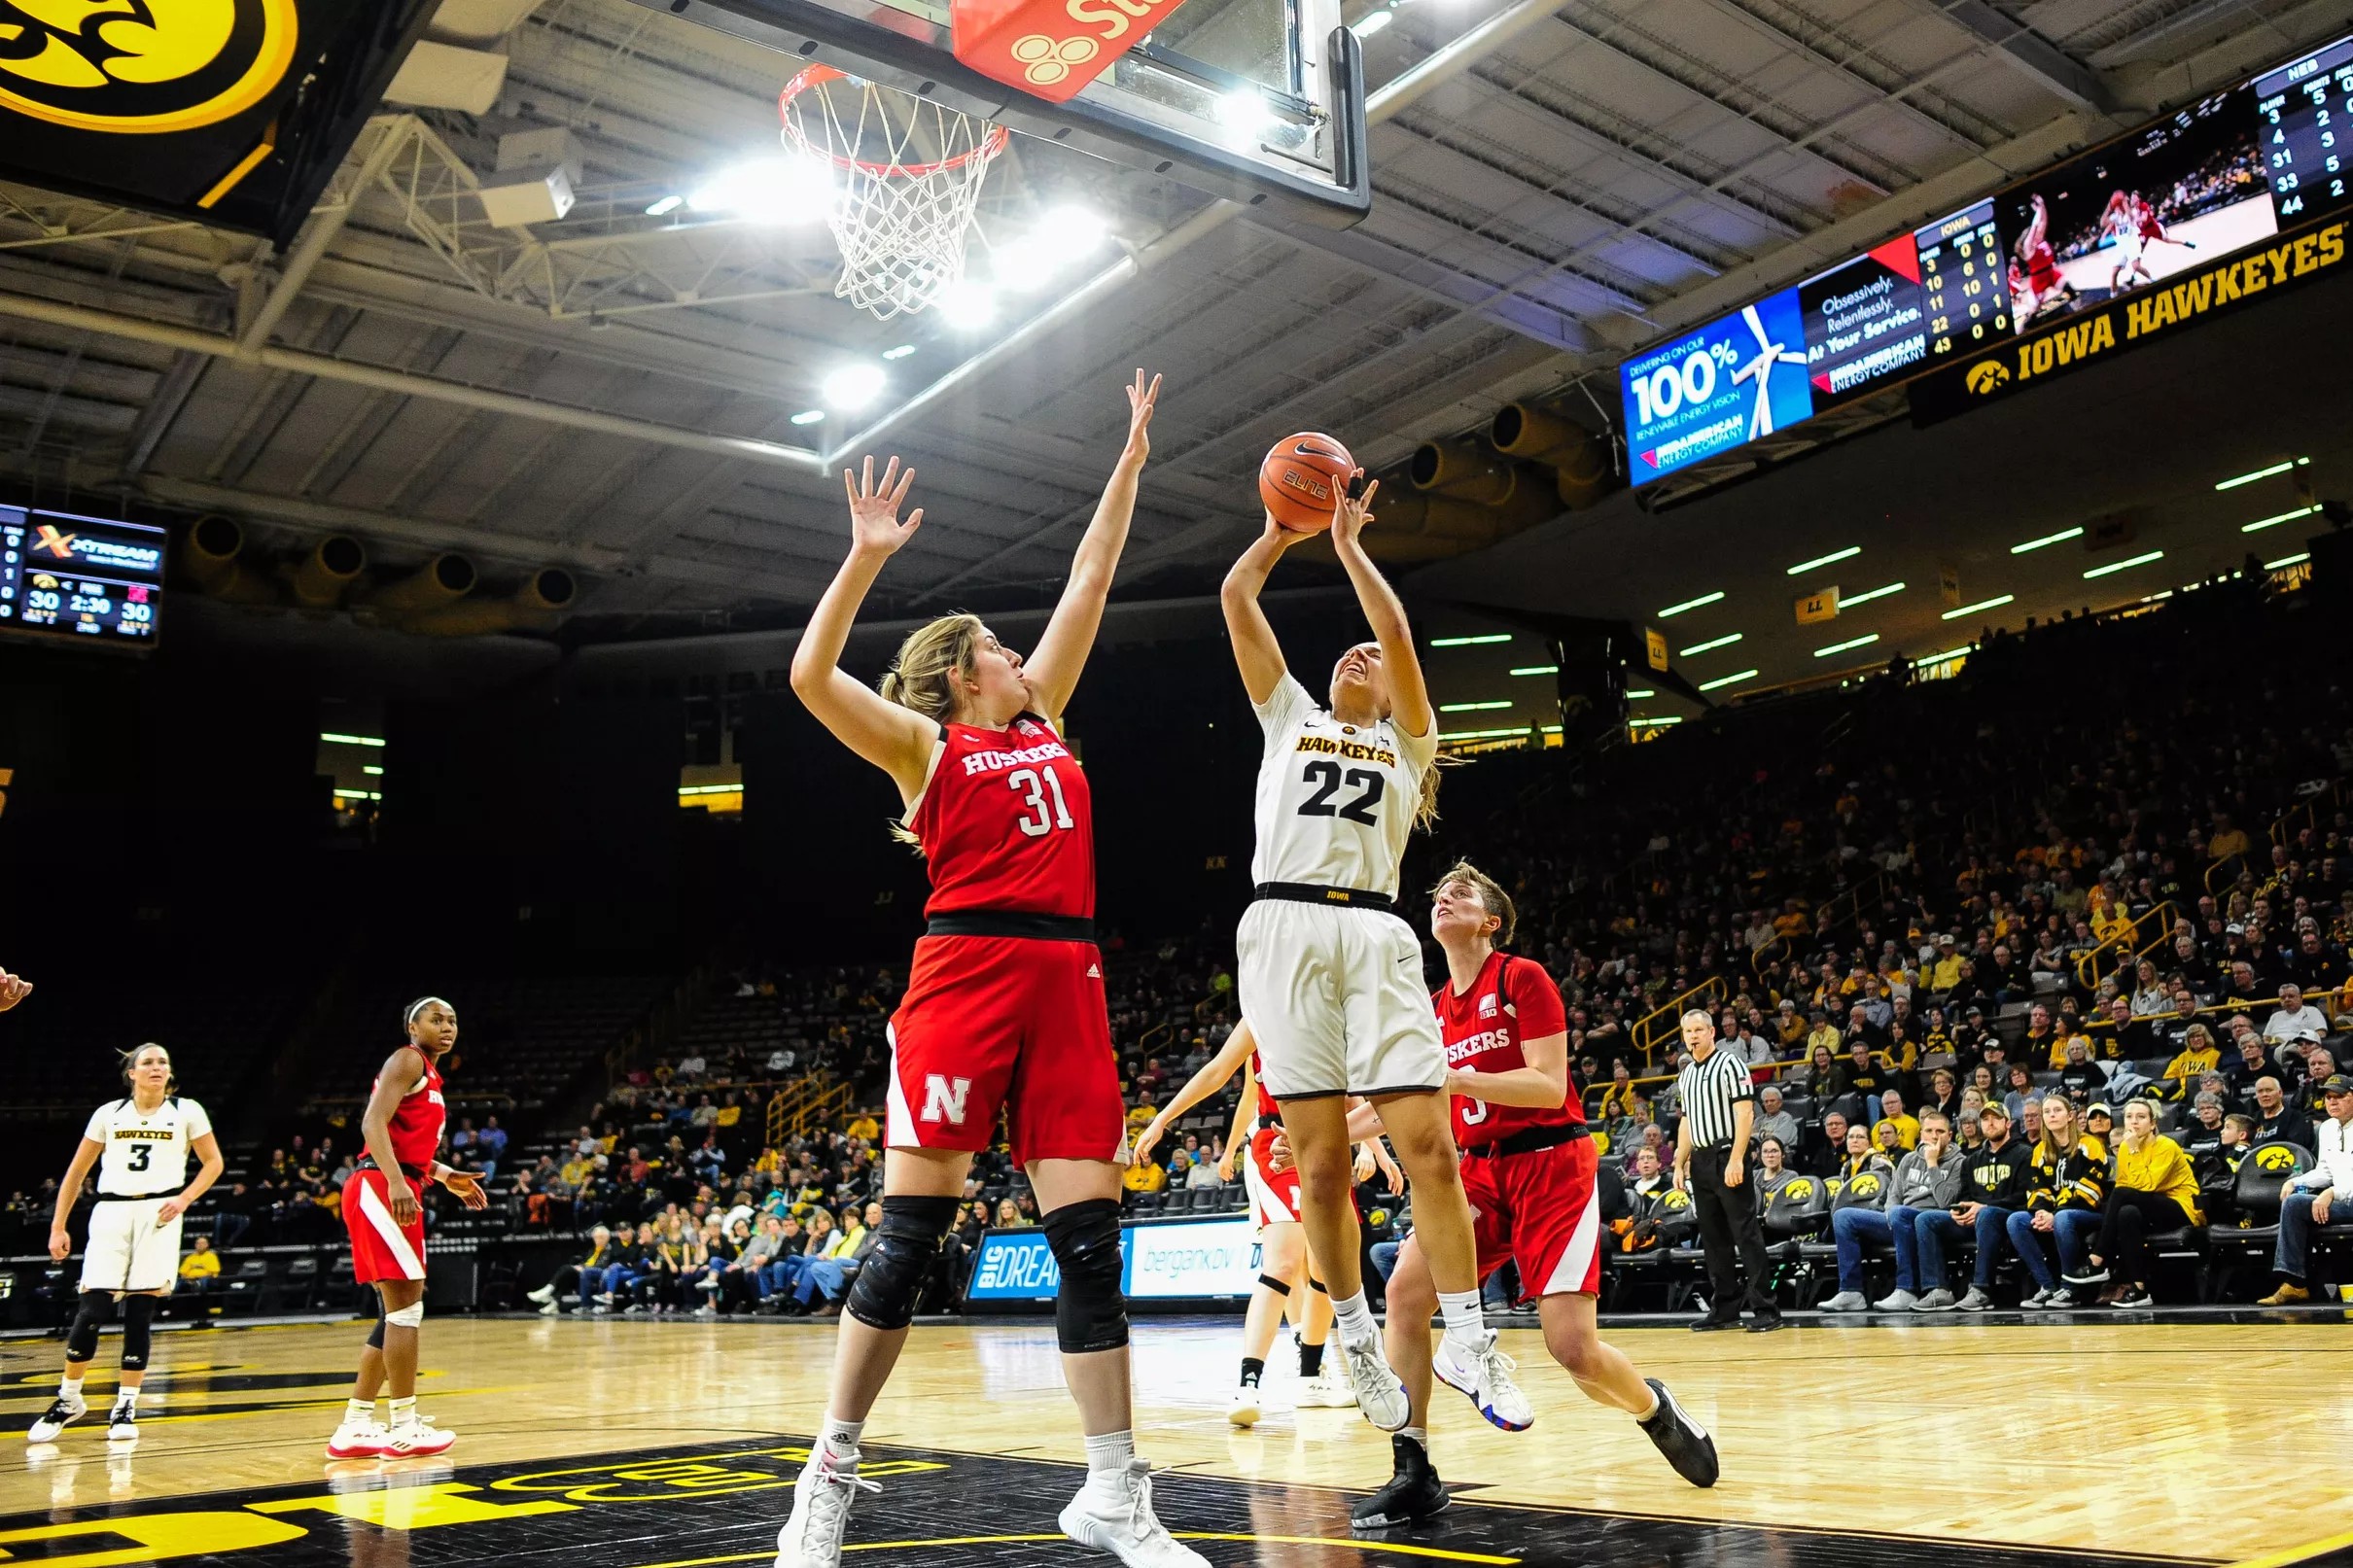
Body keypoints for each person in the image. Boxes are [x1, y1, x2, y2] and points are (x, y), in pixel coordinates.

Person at [780, 378, 1201, 1568]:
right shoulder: (925, 745)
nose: (1021, 655)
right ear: (967, 675)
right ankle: (828, 1473)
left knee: (1089, 1246)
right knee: (908, 1237)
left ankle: (1113, 1489)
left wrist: (1128, 462)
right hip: (963, 971)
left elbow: (1090, 578)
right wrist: (863, 559)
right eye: (999, 650)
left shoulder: (1045, 720)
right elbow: (810, 676)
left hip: (1066, 973)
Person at [1221, 467, 1525, 1434]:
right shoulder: (1289, 716)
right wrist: (1282, 531)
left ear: (1397, 695)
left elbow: (1392, 629)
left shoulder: (1407, 744)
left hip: (1373, 926)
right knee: (1318, 1166)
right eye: (1344, 652)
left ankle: (1469, 1335)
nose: (1359, 653)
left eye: (1373, 657)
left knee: (1428, 1144)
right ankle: (1351, 1339)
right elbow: (1235, 596)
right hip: (1282, 924)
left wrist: (1349, 545)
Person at [1348, 863, 1717, 1526]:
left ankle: (1652, 1406)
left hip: (1552, 1162)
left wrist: (1458, 1079)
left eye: (1462, 893)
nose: (1445, 898)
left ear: (1491, 921)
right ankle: (1414, 1467)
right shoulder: (1432, 1007)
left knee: (1572, 1348)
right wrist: (1326, 1137)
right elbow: (1405, 1098)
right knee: (1403, 1294)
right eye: (1439, 894)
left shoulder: (1522, 977)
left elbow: (1548, 1086)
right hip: (1479, 1171)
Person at [1129, 1022, 1359, 1425]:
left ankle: (1311, 1376)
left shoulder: (1332, 1008)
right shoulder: (1262, 1011)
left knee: (1325, 1266)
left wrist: (1373, 1148)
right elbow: (1223, 1075)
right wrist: (1165, 1119)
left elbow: (1350, 1092)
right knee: (1284, 1263)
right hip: (1276, 1144)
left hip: (1327, 1140)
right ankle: (1248, 1383)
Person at [27, 1043, 224, 1446]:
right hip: (111, 1211)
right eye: (147, 1062)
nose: (157, 1067)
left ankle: (125, 1406)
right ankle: (68, 1398)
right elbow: (76, 1172)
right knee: (92, 1310)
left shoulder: (187, 1111)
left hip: (159, 1212)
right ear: (131, 1073)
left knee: (139, 1313)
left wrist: (185, 1199)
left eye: (163, 1062)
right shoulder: (109, 1113)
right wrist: (58, 1226)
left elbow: (214, 1163)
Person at [324, 997, 488, 1460]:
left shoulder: (428, 1075)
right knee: (405, 1312)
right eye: (436, 1019)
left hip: (387, 1181)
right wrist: (397, 1181)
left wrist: (444, 1176)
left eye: (452, 1020)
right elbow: (371, 1122)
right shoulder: (407, 1059)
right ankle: (404, 1426)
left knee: (395, 1312)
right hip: (380, 1184)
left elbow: (406, 1146)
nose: (447, 1026)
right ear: (413, 1027)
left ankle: (356, 1426)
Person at [1671, 1011, 1781, 1332]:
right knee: (1713, 1238)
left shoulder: (1730, 1064)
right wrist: (1679, 1162)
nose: (1693, 1036)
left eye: (1699, 1030)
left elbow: (1745, 1114)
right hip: (1701, 1160)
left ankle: (1766, 1309)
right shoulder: (1686, 1075)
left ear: (1711, 1032)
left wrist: (1736, 1158)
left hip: (1727, 1153)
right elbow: (1686, 1122)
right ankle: (1725, 1309)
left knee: (1745, 1233)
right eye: (1688, 1031)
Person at [1821, 1111, 1961, 1312]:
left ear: (1950, 1135)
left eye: (1940, 1131)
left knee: (1900, 1213)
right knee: (1843, 1216)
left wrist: (1932, 1164)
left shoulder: (1959, 1162)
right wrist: (1889, 1215)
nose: (1934, 1136)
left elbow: (1946, 1202)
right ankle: (1851, 1292)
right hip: (1899, 1219)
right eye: (1929, 1131)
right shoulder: (1909, 1159)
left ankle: (1906, 1289)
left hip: (1931, 1222)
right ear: (1921, 1134)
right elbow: (1893, 1195)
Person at [2071, 1099, 2200, 1307]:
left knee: (2121, 1194)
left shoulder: (2166, 1146)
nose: (2134, 1122)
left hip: (2180, 1207)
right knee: (2127, 1213)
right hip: (2148, 1208)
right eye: (2129, 1117)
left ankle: (2098, 1259)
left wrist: (2133, 1150)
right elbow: (2125, 1183)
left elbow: (2147, 1186)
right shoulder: (2124, 1146)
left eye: (2141, 1117)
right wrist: (2130, 1148)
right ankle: (2139, 1289)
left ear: (2152, 1123)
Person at [1920, 1099, 2036, 1311]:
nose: (1990, 1123)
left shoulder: (2025, 1153)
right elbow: (1966, 1196)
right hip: (1976, 1218)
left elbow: (2024, 1196)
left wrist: (1982, 1207)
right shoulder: (1972, 1161)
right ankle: (1937, 1290)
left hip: (2009, 1218)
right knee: (1926, 1219)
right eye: (1985, 1119)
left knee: (1987, 1214)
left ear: (2008, 1123)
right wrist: (1960, 1211)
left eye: (1996, 1119)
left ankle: (1981, 1289)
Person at [2259, 1074, 2353, 1305]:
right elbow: (2325, 1171)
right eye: (2328, 1097)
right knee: (2294, 1203)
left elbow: (2335, 1186)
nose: (2332, 1102)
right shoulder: (2328, 1128)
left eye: (2340, 1096)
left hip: (2345, 1198)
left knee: (2304, 1202)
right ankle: (2295, 1283)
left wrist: (2332, 1193)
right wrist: (2295, 1182)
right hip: (2343, 1201)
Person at [2013, 1096, 2107, 1307]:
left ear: (2070, 1116)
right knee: (2016, 1220)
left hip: (2089, 1212)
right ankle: (2047, 1286)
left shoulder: (2090, 1144)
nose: (2052, 1115)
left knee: (2063, 1218)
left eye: (2057, 1110)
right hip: (2055, 1213)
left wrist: (2054, 1214)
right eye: (2047, 1112)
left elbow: (2091, 1190)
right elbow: (2037, 1189)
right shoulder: (2040, 1150)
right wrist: (2042, 1213)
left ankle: (2070, 1288)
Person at [529, 1226, 615, 1314]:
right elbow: (585, 1262)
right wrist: (580, 1266)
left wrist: (583, 1268)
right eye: (595, 1237)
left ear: (607, 1238)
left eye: (600, 1237)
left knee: (573, 1270)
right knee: (567, 1273)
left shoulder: (610, 1250)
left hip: (598, 1279)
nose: (597, 1240)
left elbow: (603, 1267)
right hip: (584, 1276)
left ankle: (549, 1291)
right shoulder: (592, 1250)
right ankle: (554, 1302)